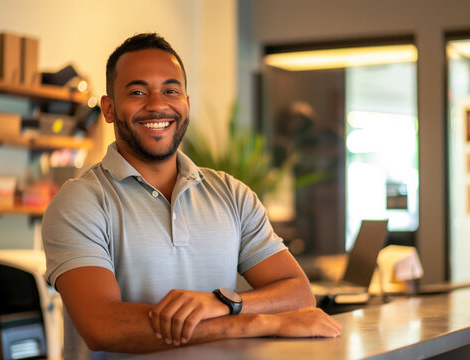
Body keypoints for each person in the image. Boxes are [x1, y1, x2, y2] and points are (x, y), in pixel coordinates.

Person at [42, 33, 341, 358]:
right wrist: (258, 322)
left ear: (186, 103)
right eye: (138, 92)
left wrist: (220, 302)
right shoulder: (81, 202)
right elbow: (104, 327)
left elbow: (298, 294)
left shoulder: (231, 193)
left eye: (170, 90)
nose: (157, 104)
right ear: (109, 108)